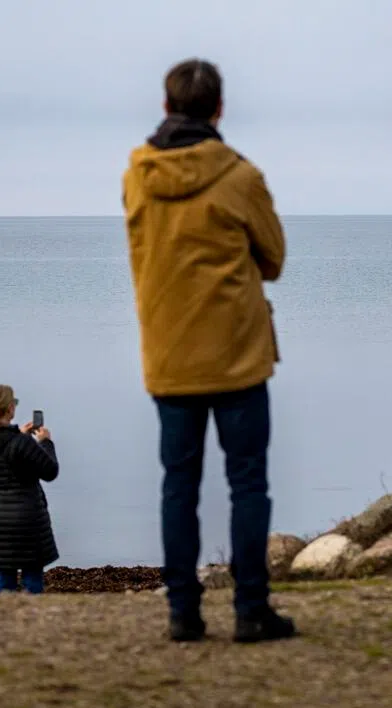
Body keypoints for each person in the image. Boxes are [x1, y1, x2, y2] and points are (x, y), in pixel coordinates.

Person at [121, 58, 295, 643]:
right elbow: (272, 259)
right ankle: (250, 610)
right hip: (238, 353)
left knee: (179, 485)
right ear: (219, 109)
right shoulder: (241, 177)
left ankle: (183, 613)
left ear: (166, 108)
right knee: (247, 483)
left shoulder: (137, 175)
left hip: (169, 353)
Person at [0, 384, 59, 593]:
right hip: (27, 520)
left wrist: (18, 433)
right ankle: (30, 622)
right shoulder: (20, 443)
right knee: (31, 576)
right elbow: (50, 471)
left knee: (4, 575)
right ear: (10, 408)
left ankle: (3, 620)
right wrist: (45, 442)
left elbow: (4, 454)